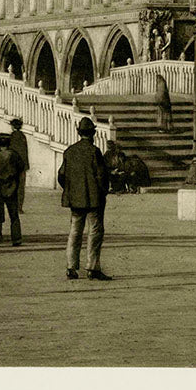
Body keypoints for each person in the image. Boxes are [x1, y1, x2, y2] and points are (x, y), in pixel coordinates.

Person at [58, 117, 111, 281]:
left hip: (75, 199)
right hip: (94, 199)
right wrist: (103, 191)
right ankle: (92, 268)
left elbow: (61, 175)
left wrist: (71, 189)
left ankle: (70, 267)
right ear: (93, 133)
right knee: (94, 232)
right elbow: (102, 176)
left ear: (79, 132)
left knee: (74, 232)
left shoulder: (69, 151)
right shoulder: (94, 151)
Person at [0, 133, 23, 245]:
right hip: (11, 187)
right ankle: (16, 238)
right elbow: (21, 168)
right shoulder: (14, 155)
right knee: (13, 215)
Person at [8, 117, 30, 210]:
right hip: (22, 166)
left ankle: (14, 206)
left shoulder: (11, 137)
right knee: (21, 187)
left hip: (13, 166)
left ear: (12, 127)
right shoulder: (22, 136)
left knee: (13, 186)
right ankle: (19, 207)